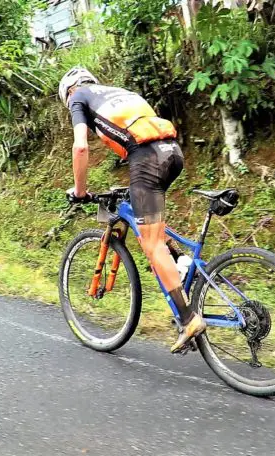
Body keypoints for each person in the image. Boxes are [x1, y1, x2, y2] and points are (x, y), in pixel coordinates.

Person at [58, 67, 205, 353]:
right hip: (172, 153)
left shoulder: (80, 98)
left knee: (151, 245)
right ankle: (182, 265)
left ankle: (189, 320)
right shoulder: (122, 93)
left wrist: (79, 190)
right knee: (153, 228)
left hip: (147, 159)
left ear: (70, 91)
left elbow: (80, 148)